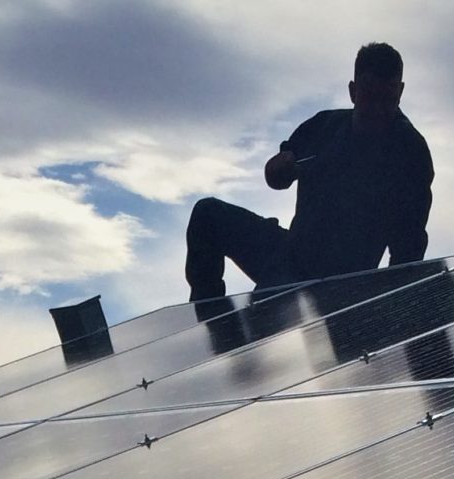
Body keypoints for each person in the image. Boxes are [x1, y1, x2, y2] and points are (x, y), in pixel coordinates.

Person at [185, 42, 434, 305]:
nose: (378, 111)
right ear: (353, 91)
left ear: (400, 92)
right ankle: (210, 320)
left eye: (388, 100)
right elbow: (274, 177)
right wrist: (280, 166)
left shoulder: (411, 153)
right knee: (208, 213)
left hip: (342, 285)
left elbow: (409, 249)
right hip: (289, 254)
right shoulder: (323, 126)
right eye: (369, 98)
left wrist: (385, 309)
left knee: (263, 312)